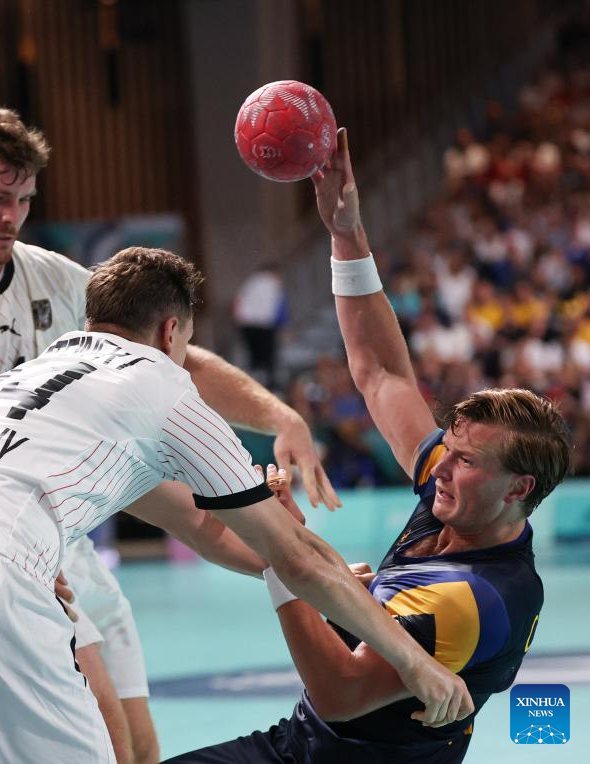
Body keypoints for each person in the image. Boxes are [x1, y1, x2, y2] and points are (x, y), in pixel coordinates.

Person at [0, 245, 472, 763]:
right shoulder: (160, 384)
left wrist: (314, 575)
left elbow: (199, 524)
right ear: (171, 331)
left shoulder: (29, 376)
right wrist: (419, 667)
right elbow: (295, 554)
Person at [0, 102, 341, 764]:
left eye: (23, 199)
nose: (11, 217)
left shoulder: (49, 273)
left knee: (137, 750)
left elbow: (171, 355)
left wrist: (278, 416)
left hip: (66, 547)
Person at [165, 129, 571, 763]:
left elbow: (340, 691)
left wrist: (285, 558)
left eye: (466, 461)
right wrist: (345, 233)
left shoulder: (473, 598)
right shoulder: (458, 499)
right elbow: (382, 373)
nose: (442, 467)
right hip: (300, 745)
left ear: (519, 488)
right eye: (451, 449)